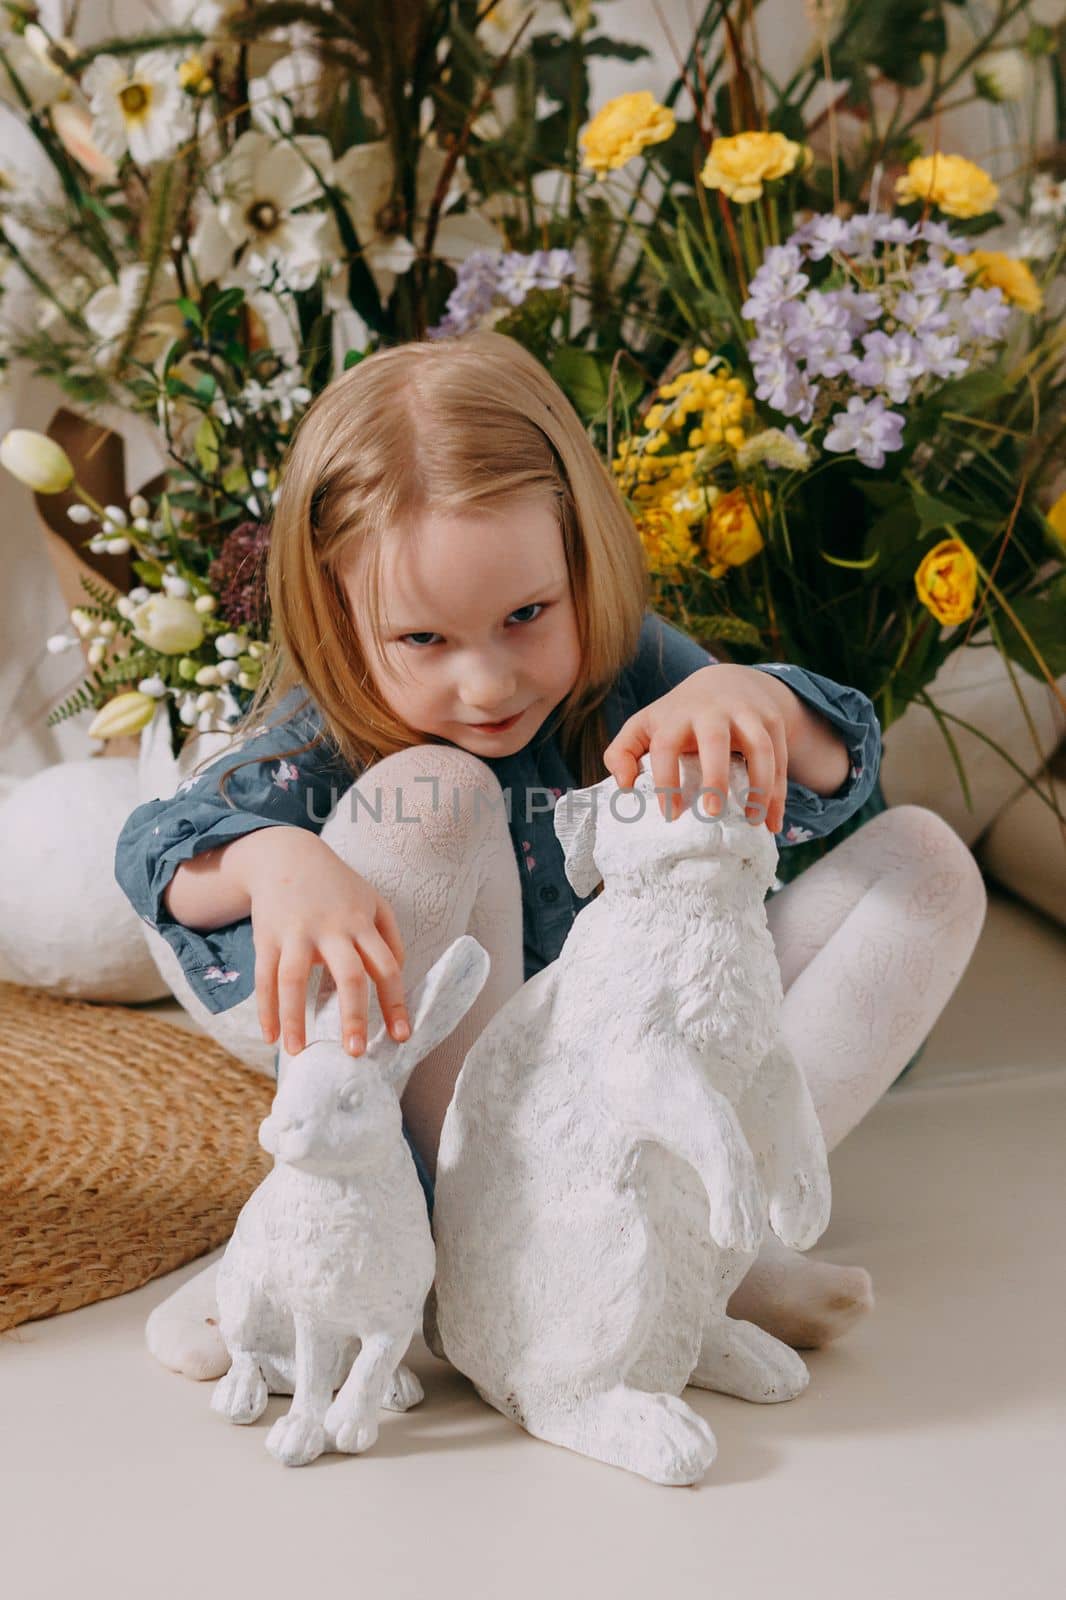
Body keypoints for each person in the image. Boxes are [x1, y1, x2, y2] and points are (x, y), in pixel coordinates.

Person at [115, 330, 987, 1381]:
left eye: (526, 614)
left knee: (926, 865)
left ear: (583, 563)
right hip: (449, 1133)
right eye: (424, 641)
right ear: (345, 621)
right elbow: (161, 850)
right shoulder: (332, 732)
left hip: (635, 1090)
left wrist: (754, 700)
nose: (487, 683)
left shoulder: (629, 667)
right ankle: (389, 1245)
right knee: (426, 793)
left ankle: (709, 1237)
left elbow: (828, 773)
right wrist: (270, 862)